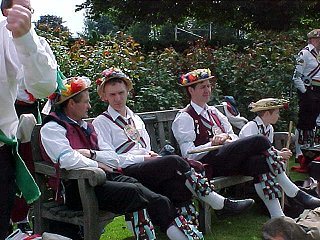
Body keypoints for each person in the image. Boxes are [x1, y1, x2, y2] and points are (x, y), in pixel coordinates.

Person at [40, 76, 210, 240]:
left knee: (158, 197)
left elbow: (112, 158)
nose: (89, 106)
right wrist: (97, 163)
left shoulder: (87, 127)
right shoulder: (53, 129)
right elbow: (67, 159)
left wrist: (93, 155)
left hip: (102, 180)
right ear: (71, 104)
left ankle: (181, 235)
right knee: (134, 192)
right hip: (76, 188)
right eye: (85, 102)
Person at [92, 67, 254, 232]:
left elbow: (144, 147)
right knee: (174, 161)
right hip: (126, 174)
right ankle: (219, 203)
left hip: (145, 168)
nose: (118, 98)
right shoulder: (101, 123)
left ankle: (189, 230)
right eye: (112, 95)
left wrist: (149, 155)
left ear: (128, 91)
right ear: (104, 96)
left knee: (177, 183)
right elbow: (111, 159)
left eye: (121, 93)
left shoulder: (136, 119)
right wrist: (144, 158)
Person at [172, 68, 320, 219]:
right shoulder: (185, 117)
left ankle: (278, 217)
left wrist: (225, 138)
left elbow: (233, 136)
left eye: (209, 86)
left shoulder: (214, 112)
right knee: (259, 140)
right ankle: (294, 192)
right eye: (202, 87)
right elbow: (188, 154)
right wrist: (211, 144)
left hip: (226, 159)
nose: (207, 90)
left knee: (260, 162)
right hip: (208, 165)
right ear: (190, 90)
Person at [0, 0, 57, 238]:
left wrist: (24, 38)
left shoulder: (6, 33)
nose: (26, 11)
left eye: (28, 7)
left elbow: (44, 86)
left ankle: (20, 221)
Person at [238, 98, 320, 217]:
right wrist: (277, 155)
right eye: (276, 112)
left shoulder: (269, 128)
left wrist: (279, 152)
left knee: (269, 166)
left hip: (260, 164)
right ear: (267, 114)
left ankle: (287, 203)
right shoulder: (251, 127)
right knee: (267, 163)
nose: (279, 116)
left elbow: (267, 149)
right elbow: (250, 150)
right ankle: (294, 194)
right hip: (246, 163)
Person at [292, 29, 320, 162]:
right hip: (308, 90)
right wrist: (305, 92)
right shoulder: (305, 54)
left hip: (318, 91)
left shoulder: (318, 54)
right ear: (313, 40)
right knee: (304, 122)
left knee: (314, 122)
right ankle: (299, 152)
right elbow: (296, 77)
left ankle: (311, 149)